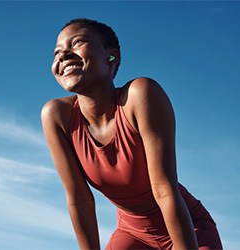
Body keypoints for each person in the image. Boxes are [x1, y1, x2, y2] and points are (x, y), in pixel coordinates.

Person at [41, 18, 222, 250]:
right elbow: (79, 199)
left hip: (188, 228)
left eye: (77, 43)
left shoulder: (140, 95)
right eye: (57, 52)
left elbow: (164, 190)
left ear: (111, 56)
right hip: (131, 234)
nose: (63, 55)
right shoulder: (56, 116)